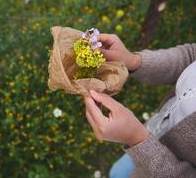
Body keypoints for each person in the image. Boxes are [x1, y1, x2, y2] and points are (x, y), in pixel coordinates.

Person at [83, 34, 196, 178]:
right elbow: (191, 56)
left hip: (155, 161)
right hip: (153, 133)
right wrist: (133, 61)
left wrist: (137, 139)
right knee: (117, 172)